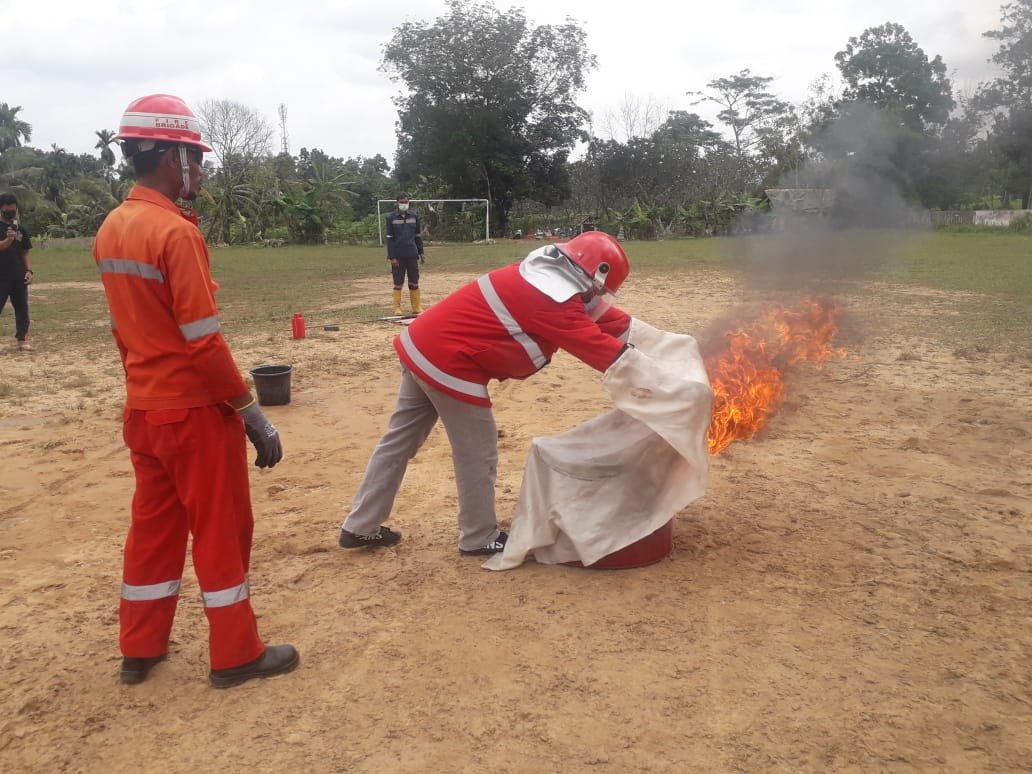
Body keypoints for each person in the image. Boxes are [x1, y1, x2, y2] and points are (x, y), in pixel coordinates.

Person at [93, 94, 298, 689]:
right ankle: (236, 654)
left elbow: (122, 331)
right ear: (170, 157)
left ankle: (140, 647)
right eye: (196, 159)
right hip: (193, 416)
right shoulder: (175, 235)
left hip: (145, 412)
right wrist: (250, 411)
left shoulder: (112, 227)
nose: (201, 172)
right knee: (220, 530)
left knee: (153, 530)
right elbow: (203, 343)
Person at [339, 230, 633, 555]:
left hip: (421, 345)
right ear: (591, 274)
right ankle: (479, 536)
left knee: (397, 442)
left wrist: (662, 340)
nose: (597, 294)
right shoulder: (552, 300)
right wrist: (655, 371)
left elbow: (603, 318)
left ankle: (360, 526)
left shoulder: (538, 275)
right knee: (477, 451)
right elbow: (601, 350)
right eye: (599, 287)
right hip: (450, 363)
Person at [0, 193, 34, 351]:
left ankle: (22, 341)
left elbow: (25, 252)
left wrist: (28, 270)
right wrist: (9, 239)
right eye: (7, 211)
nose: (10, 214)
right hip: (1, 277)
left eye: (13, 211)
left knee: (22, 309)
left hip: (18, 276)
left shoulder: (21, 229)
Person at [385, 192, 425, 315]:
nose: (404, 204)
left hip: (412, 254)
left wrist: (421, 252)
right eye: (402, 202)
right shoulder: (391, 217)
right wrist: (392, 257)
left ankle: (416, 307)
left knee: (414, 281)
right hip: (398, 255)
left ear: (409, 202)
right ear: (397, 203)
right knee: (398, 282)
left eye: (406, 202)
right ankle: (397, 308)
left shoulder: (414, 216)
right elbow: (389, 238)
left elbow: (417, 236)